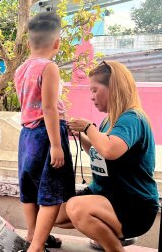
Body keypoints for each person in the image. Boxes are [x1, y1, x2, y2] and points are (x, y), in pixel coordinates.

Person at [57, 61, 159, 252]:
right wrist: (80, 135)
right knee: (52, 213)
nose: (92, 97)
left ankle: (114, 248)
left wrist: (88, 128)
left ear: (114, 88)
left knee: (76, 208)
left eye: (95, 90)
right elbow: (100, 153)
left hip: (133, 205)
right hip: (105, 196)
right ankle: (108, 234)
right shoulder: (108, 120)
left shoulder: (132, 118)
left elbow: (111, 150)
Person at [14, 11, 76, 252]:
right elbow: (49, 107)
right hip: (47, 134)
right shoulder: (49, 67)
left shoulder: (20, 69)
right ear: (57, 43)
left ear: (29, 43)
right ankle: (36, 247)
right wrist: (57, 145)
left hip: (26, 135)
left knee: (29, 187)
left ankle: (33, 235)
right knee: (51, 191)